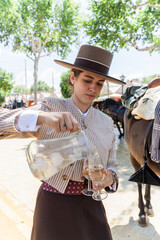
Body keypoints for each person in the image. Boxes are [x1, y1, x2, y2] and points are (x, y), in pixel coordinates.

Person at [0, 44, 125, 240]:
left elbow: (113, 166)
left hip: (91, 208)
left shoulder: (107, 122)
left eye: (100, 83)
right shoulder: (50, 106)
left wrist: (110, 178)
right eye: (87, 80)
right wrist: (42, 118)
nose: (93, 88)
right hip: (52, 207)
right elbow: (2, 125)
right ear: (73, 78)